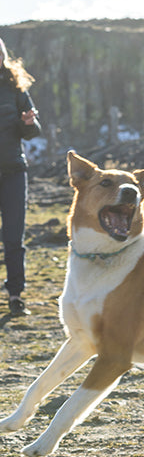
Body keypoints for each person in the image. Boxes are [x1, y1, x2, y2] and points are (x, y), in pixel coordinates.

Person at [0, 38, 41, 317]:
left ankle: (16, 295)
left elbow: (34, 130)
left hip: (14, 171)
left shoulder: (15, 87)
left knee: (14, 237)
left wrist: (28, 122)